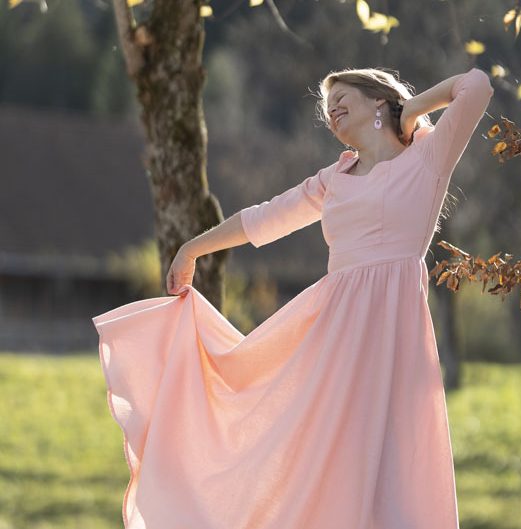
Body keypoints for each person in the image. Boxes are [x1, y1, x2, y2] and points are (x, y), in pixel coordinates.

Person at [92, 66, 493, 529]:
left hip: (394, 331)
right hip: (333, 334)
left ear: (377, 100)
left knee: (394, 463)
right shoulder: (334, 178)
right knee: (324, 458)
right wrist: (192, 249)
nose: (332, 109)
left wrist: (411, 110)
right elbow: (264, 218)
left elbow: (476, 85)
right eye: (327, 105)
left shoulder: (427, 157)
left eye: (342, 97)